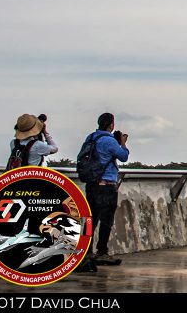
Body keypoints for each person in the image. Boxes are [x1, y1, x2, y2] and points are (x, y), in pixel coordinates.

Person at [81, 112, 129, 264]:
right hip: (106, 185)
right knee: (106, 220)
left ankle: (86, 251)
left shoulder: (90, 138)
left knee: (91, 219)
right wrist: (123, 143)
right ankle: (102, 252)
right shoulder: (109, 141)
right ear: (111, 125)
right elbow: (123, 157)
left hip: (91, 184)